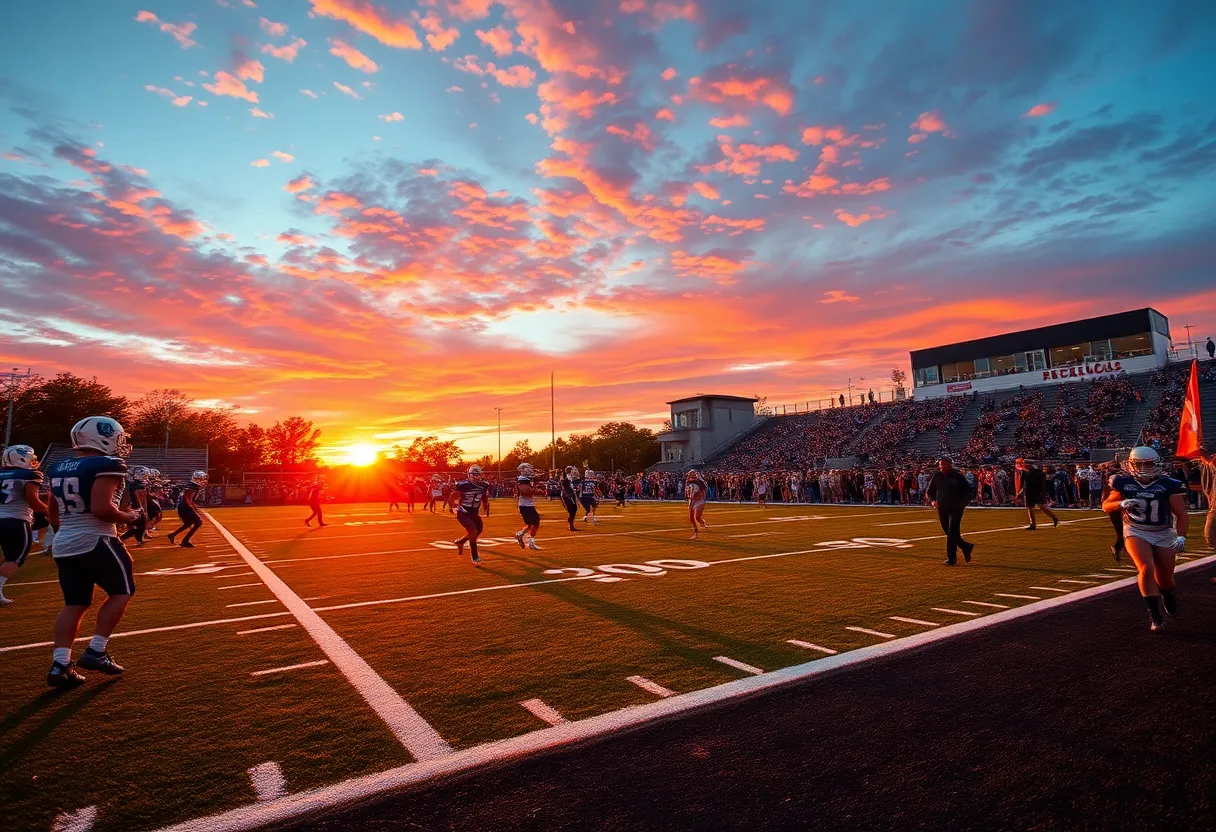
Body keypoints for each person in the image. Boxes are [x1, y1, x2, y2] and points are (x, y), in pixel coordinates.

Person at [45, 416, 141, 688]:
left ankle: (60, 664)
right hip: (96, 538)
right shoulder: (107, 464)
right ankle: (96, 650)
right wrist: (129, 517)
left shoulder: (59, 467)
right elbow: (101, 509)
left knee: (74, 603)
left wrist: (67, 530)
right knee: (122, 592)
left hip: (65, 542)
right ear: (104, 437)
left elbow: (52, 509)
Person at [1102, 446, 1187, 631]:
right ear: (1131, 464)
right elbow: (1106, 506)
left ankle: (1167, 593)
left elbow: (1181, 513)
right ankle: (1155, 616)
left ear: (1156, 463)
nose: (1144, 468)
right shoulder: (1123, 483)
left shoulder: (1168, 484)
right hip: (1136, 530)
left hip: (1163, 532)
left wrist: (1181, 536)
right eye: (1139, 464)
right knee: (1145, 568)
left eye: (1148, 463)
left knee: (1166, 580)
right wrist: (1120, 503)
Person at [0, 444, 48, 605]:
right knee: (15, 557)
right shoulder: (29, 475)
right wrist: (49, 510)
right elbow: (32, 501)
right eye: (31, 458)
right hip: (16, 520)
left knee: (9, 556)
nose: (34, 462)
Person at [926, 456, 975, 566]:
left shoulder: (957, 476)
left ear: (949, 464)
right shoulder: (937, 475)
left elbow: (969, 491)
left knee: (952, 529)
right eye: (940, 464)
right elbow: (930, 491)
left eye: (943, 464)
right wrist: (933, 500)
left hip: (956, 507)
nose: (941, 466)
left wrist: (963, 502)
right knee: (948, 531)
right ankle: (965, 546)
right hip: (942, 507)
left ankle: (951, 557)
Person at [449, 465, 489, 565]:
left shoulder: (483, 485)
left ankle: (461, 542)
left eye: (478, 474)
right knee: (473, 531)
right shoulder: (463, 485)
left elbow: (483, 495)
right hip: (463, 512)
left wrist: (485, 504)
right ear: (469, 475)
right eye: (475, 474)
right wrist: (452, 506)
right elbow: (453, 496)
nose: (477, 476)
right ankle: (475, 557)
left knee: (479, 530)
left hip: (474, 513)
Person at [169, 471, 208, 547]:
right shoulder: (192, 486)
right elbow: (188, 500)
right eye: (203, 479)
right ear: (198, 479)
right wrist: (195, 509)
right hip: (185, 508)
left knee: (188, 524)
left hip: (184, 507)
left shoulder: (192, 485)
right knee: (198, 522)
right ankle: (185, 540)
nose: (204, 481)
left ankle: (173, 535)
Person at [1017, 459, 1058, 531]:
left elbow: (1022, 482)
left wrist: (1020, 491)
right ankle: (1053, 517)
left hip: (1029, 491)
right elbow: (1043, 484)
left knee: (1030, 507)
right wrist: (1043, 492)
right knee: (1040, 506)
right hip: (1037, 491)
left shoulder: (1024, 471)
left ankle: (1033, 524)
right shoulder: (1040, 472)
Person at [513, 463, 542, 550]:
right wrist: (536, 488)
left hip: (528, 505)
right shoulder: (522, 481)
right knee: (535, 522)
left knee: (531, 524)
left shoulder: (526, 480)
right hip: (526, 506)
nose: (531, 471)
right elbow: (528, 492)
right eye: (529, 469)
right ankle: (531, 543)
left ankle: (520, 534)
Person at [119, 466, 150, 546]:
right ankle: (121, 539)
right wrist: (141, 508)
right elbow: (139, 497)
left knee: (136, 526)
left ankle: (139, 539)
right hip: (136, 507)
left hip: (131, 506)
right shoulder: (139, 486)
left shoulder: (130, 484)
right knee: (137, 526)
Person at [686, 469, 709, 539]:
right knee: (691, 518)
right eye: (690, 474)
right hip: (691, 500)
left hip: (699, 500)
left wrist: (703, 499)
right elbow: (688, 490)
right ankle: (696, 532)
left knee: (697, 517)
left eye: (692, 474)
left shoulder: (700, 482)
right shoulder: (688, 482)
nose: (691, 475)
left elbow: (704, 490)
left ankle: (702, 523)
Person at [560, 465, 580, 532]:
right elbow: (565, 488)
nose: (574, 472)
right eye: (572, 470)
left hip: (571, 495)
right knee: (571, 510)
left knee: (574, 509)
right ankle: (571, 526)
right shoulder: (565, 479)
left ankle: (571, 524)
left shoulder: (572, 479)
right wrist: (569, 496)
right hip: (567, 496)